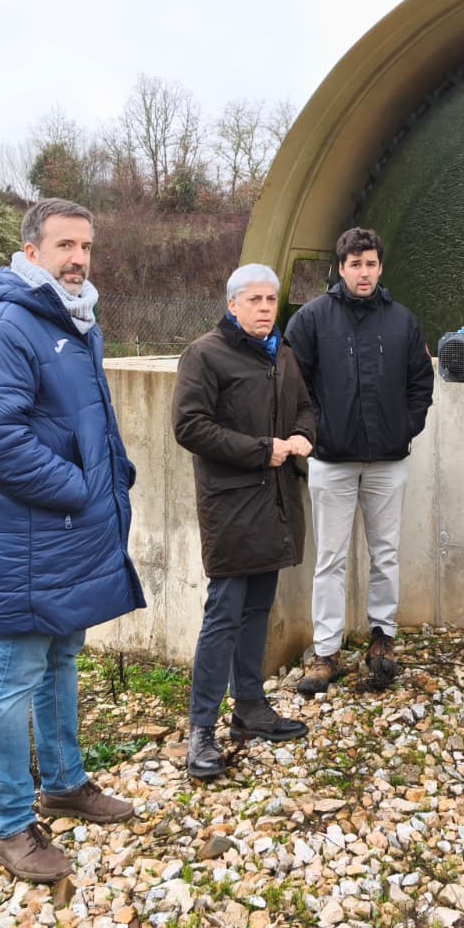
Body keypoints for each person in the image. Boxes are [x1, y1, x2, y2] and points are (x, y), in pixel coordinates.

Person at [0, 198, 144, 883]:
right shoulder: (6, 324)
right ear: (30, 252)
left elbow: (88, 416)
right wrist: (75, 488)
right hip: (36, 534)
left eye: (87, 246)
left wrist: (114, 475)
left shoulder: (73, 319)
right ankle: (10, 826)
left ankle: (65, 782)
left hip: (72, 529)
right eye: (66, 245)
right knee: (15, 674)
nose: (79, 259)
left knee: (64, 653)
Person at [172, 264, 316, 780]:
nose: (263, 308)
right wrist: (263, 450)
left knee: (258, 608)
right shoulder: (206, 354)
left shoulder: (283, 356)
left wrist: (302, 436)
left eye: (271, 299)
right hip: (232, 507)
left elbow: (305, 408)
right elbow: (189, 426)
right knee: (224, 614)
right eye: (254, 299)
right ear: (232, 304)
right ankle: (201, 730)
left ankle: (250, 708)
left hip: (276, 502)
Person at [284, 227, 434, 695]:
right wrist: (318, 431)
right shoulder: (311, 320)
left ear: (380, 267)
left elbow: (420, 384)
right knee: (330, 557)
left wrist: (404, 427)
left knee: (385, 553)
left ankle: (382, 640)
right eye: (355, 265)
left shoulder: (402, 322)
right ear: (341, 268)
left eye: (370, 264)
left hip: (388, 460)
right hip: (331, 459)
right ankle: (326, 652)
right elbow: (292, 384)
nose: (363, 273)